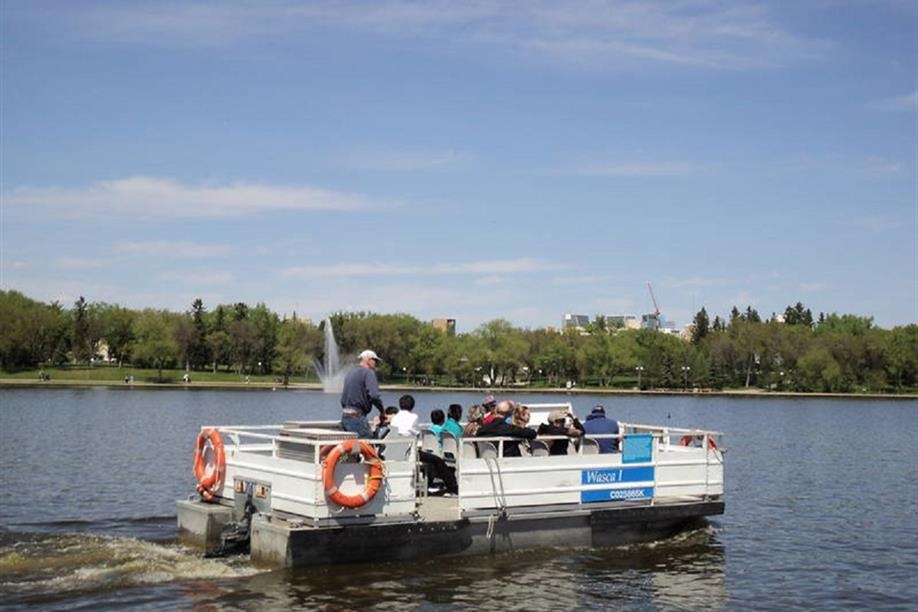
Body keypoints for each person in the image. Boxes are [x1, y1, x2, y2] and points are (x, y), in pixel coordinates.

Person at [391, 394, 457, 495]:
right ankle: (453, 487)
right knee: (437, 460)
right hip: (410, 451)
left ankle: (431, 484)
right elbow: (416, 434)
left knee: (431, 459)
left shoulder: (395, 418)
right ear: (412, 405)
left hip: (395, 449)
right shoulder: (414, 417)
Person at [339, 349, 385, 438]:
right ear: (368, 360)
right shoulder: (368, 373)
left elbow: (343, 399)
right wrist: (382, 411)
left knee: (353, 447)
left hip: (345, 417)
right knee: (368, 445)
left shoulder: (350, 373)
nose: (376, 364)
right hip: (357, 417)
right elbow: (374, 396)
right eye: (374, 360)